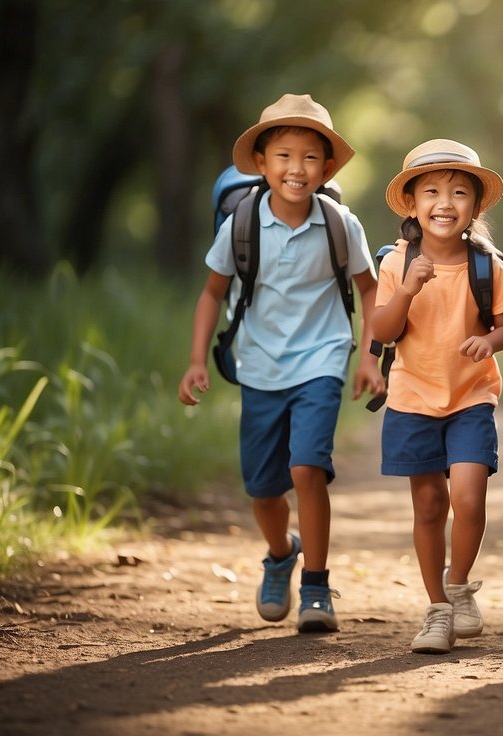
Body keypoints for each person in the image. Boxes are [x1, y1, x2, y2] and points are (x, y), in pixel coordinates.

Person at [178, 93, 384, 634]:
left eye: (311, 157)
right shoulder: (241, 224)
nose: (297, 168)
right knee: (264, 490)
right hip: (258, 367)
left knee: (307, 468)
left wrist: (369, 358)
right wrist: (196, 360)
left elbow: (371, 291)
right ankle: (281, 554)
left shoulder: (340, 223)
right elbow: (210, 293)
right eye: (284, 156)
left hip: (321, 360)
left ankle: (316, 584)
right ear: (262, 164)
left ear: (328, 167)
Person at [371, 138, 503, 655]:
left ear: (474, 207)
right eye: (432, 191)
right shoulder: (396, 263)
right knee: (430, 504)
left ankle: (458, 586)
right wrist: (409, 288)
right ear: (413, 204)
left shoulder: (486, 265)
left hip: (471, 396)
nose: (445, 202)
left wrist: (489, 339)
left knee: (468, 496)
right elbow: (384, 329)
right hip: (413, 397)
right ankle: (437, 608)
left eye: (459, 192)